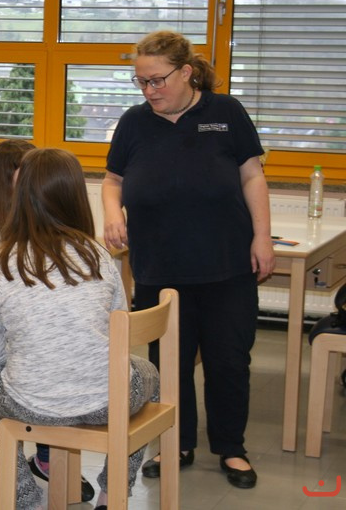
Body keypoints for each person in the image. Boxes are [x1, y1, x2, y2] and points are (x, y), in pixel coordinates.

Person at [102, 30, 274, 490]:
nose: (149, 90)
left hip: (226, 264)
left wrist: (262, 237)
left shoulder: (226, 112)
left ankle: (231, 447)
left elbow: (252, 176)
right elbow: (113, 180)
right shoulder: (134, 122)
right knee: (167, 362)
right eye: (141, 82)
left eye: (157, 80)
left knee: (228, 361)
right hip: (159, 266)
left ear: (186, 73)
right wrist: (112, 214)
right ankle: (174, 442)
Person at [0, 148, 158, 510]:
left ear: (20, 196)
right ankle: (112, 491)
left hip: (30, 404)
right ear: (76, 196)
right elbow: (120, 334)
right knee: (149, 373)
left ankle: (26, 499)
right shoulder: (98, 256)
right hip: (106, 401)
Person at [0, 139, 95, 509]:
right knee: (21, 372)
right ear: (8, 178)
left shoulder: (37, 224)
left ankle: (44, 457)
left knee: (45, 365)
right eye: (24, 170)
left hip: (17, 330)